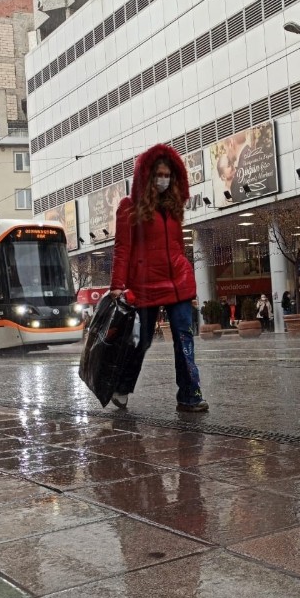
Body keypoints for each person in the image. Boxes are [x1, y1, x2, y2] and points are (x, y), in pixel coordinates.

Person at [109, 143, 207, 413]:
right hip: (144, 285)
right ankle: (122, 387)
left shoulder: (173, 207)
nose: (163, 179)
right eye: (159, 174)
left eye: (168, 175)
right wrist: (117, 286)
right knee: (142, 341)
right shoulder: (129, 208)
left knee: (184, 335)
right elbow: (122, 248)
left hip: (178, 281)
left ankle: (190, 394)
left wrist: (184, 267)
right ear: (147, 175)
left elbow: (177, 245)